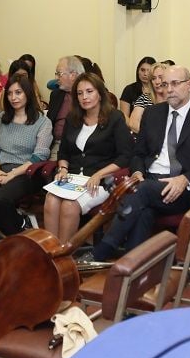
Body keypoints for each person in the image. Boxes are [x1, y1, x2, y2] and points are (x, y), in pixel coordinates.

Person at [87, 66, 190, 262]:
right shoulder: (152, 113)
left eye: (175, 83)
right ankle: (133, 267)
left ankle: (102, 250)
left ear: (189, 85)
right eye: (165, 84)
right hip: (149, 181)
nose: (169, 89)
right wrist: (137, 172)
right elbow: (138, 153)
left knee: (140, 192)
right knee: (144, 210)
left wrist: (184, 179)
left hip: (182, 189)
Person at [43, 73, 134, 243]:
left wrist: (100, 174)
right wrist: (62, 169)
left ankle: (64, 253)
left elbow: (125, 156)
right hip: (72, 178)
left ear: (100, 93)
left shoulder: (115, 117)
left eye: (89, 91)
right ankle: (51, 250)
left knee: (69, 205)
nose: (84, 97)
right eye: (80, 93)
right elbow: (64, 152)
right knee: (51, 200)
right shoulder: (72, 118)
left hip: (100, 181)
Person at [0, 76, 53, 235]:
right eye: (10, 93)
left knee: (1, 200)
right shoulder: (2, 118)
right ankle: (18, 225)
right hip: (1, 169)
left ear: (27, 93)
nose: (13, 97)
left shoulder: (43, 122)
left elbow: (40, 155)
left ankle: (16, 234)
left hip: (27, 172)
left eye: (18, 92)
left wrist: (12, 174)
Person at [47, 56, 85, 158]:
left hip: (80, 145)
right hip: (56, 145)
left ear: (73, 75)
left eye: (59, 74)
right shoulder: (56, 95)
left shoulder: (87, 96)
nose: (56, 78)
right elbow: (48, 123)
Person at [126, 62, 170, 134]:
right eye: (153, 78)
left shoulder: (174, 98)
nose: (157, 82)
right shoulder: (144, 99)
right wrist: (153, 135)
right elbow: (133, 124)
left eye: (160, 77)